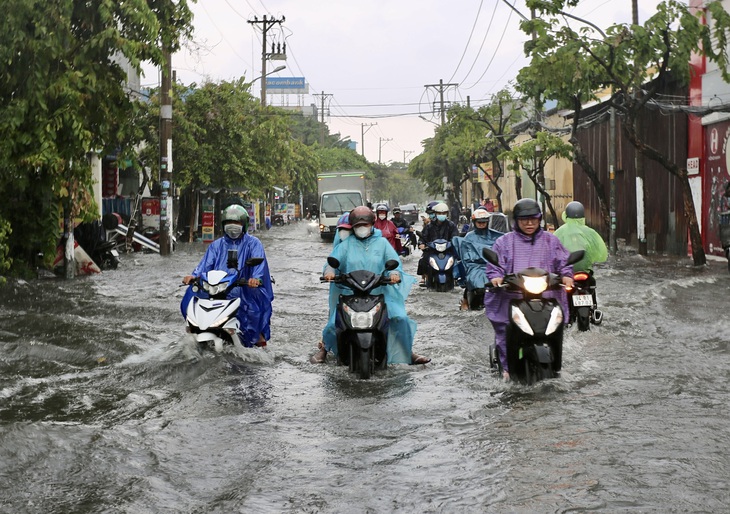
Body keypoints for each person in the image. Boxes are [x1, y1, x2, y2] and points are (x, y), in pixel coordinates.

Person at [312, 206, 430, 365]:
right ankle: (325, 349)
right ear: (353, 227)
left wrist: (394, 274)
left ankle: (408, 352)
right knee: (333, 325)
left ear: (372, 224)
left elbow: (394, 263)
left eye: (365, 225)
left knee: (400, 318)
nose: (362, 228)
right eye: (358, 225)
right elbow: (332, 262)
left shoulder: (382, 243)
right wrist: (330, 272)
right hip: (350, 294)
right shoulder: (346, 244)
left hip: (379, 293)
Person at [484, 198, 574, 381]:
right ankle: (506, 367)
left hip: (546, 297)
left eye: (534, 219)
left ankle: (556, 365)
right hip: (512, 296)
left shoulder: (551, 241)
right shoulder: (504, 242)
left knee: (555, 327)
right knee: (504, 328)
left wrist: (566, 275)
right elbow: (495, 266)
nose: (530, 223)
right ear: (516, 220)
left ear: (539, 219)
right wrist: (496, 278)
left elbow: (563, 262)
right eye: (524, 219)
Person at [182, 204, 274, 346]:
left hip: (244, 290)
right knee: (191, 295)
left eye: (236, 223)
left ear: (244, 224)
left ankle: (256, 337)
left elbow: (259, 267)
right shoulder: (216, 245)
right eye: (229, 223)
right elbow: (205, 265)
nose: (233, 226)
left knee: (255, 311)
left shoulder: (253, 244)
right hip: (217, 290)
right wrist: (194, 276)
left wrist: (255, 279)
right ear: (223, 224)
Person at [553, 201, 608, 309]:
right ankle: (594, 309)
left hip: (567, 275)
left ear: (566, 215)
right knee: (592, 284)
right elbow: (600, 252)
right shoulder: (591, 232)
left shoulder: (559, 232)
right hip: (585, 272)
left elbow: (552, 253)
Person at [454, 207, 504, 310]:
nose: (481, 224)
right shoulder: (469, 238)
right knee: (474, 280)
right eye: (479, 222)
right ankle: (466, 301)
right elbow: (466, 258)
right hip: (475, 266)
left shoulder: (496, 236)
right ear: (474, 222)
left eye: (484, 222)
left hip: (494, 265)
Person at [417, 202, 458, 284]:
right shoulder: (429, 226)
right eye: (439, 213)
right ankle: (425, 278)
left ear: (447, 214)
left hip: (448, 251)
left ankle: (455, 278)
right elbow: (423, 237)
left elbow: (455, 237)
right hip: (432, 251)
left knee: (457, 261)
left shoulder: (451, 225)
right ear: (435, 213)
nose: (441, 215)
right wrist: (421, 243)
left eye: (443, 213)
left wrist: (455, 243)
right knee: (423, 260)